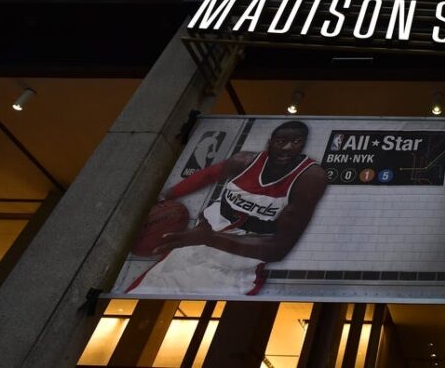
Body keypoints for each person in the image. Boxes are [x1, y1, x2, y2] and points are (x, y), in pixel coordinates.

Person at [127, 120, 327, 296]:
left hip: (237, 260)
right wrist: (164, 196)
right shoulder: (245, 161)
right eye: (281, 141)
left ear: (303, 144)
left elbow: (278, 249)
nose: (288, 148)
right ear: (270, 142)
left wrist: (211, 239)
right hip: (201, 237)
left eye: (296, 142)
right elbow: (207, 175)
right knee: (142, 292)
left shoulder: (310, 178)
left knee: (196, 303)